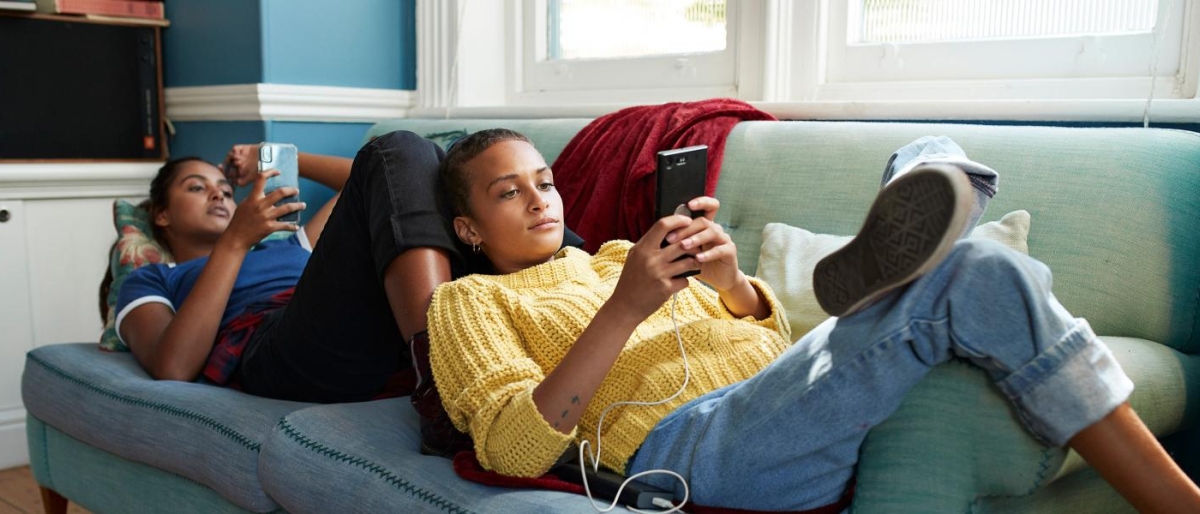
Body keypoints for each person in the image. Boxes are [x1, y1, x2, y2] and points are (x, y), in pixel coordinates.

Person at [425, 128, 1200, 512]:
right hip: (686, 444)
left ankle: (915, 218)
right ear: (467, 230)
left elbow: (770, 346)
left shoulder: (623, 254)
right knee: (978, 271)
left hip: (780, 400)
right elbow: (511, 449)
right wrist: (626, 309)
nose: (540, 201)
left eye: (546, 182)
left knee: (942, 178)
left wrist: (731, 284)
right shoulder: (468, 301)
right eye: (508, 192)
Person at [115, 134, 541, 403]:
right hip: (280, 348)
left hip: (368, 319)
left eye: (226, 190)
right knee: (401, 150)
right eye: (197, 187)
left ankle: (570, 285)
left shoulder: (292, 244)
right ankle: (440, 381)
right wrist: (235, 242)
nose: (219, 195)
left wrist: (277, 157)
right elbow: (173, 367)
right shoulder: (153, 277)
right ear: (161, 215)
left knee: (432, 164)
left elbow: (380, 179)